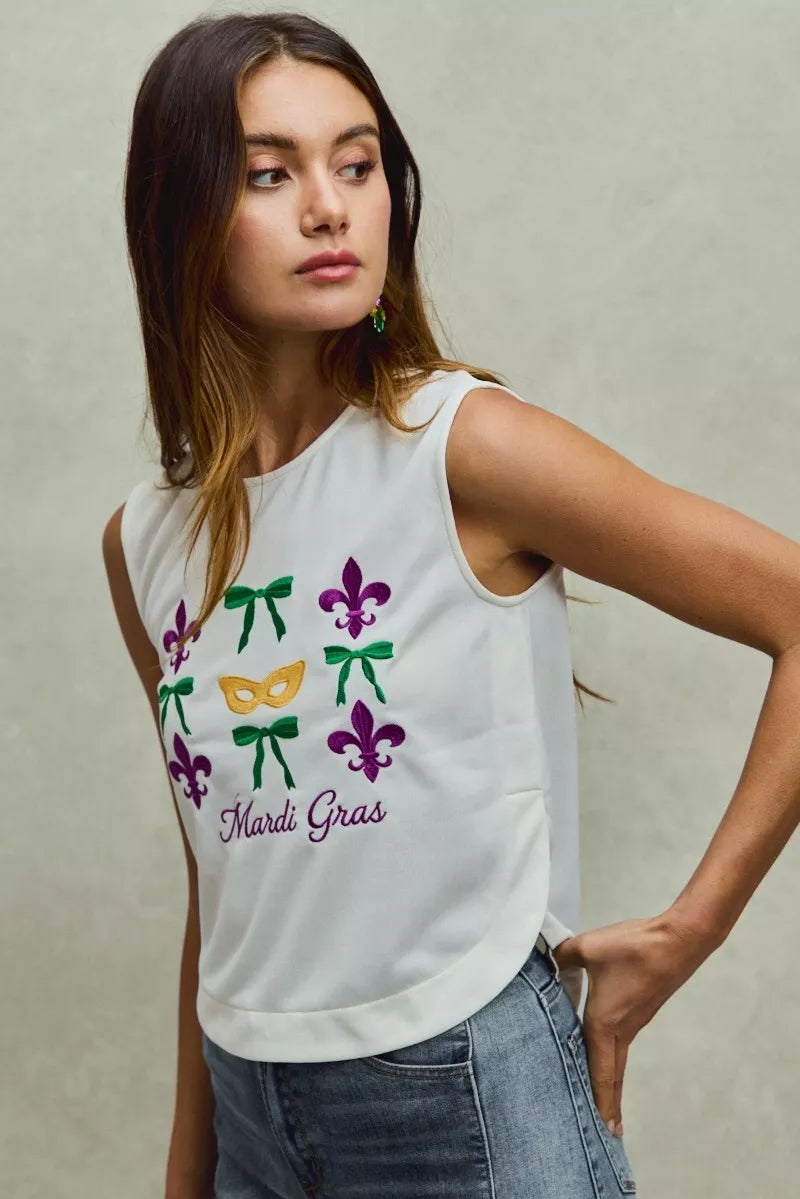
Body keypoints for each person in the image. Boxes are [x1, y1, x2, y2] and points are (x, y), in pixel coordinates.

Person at [102, 11, 800, 1199]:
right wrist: (190, 1166)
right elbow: (222, 877)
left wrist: (689, 929)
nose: (329, 208)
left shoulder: (462, 447)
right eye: (269, 173)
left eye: (356, 163)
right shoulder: (145, 541)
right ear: (181, 215)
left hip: (470, 1090)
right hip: (250, 1109)